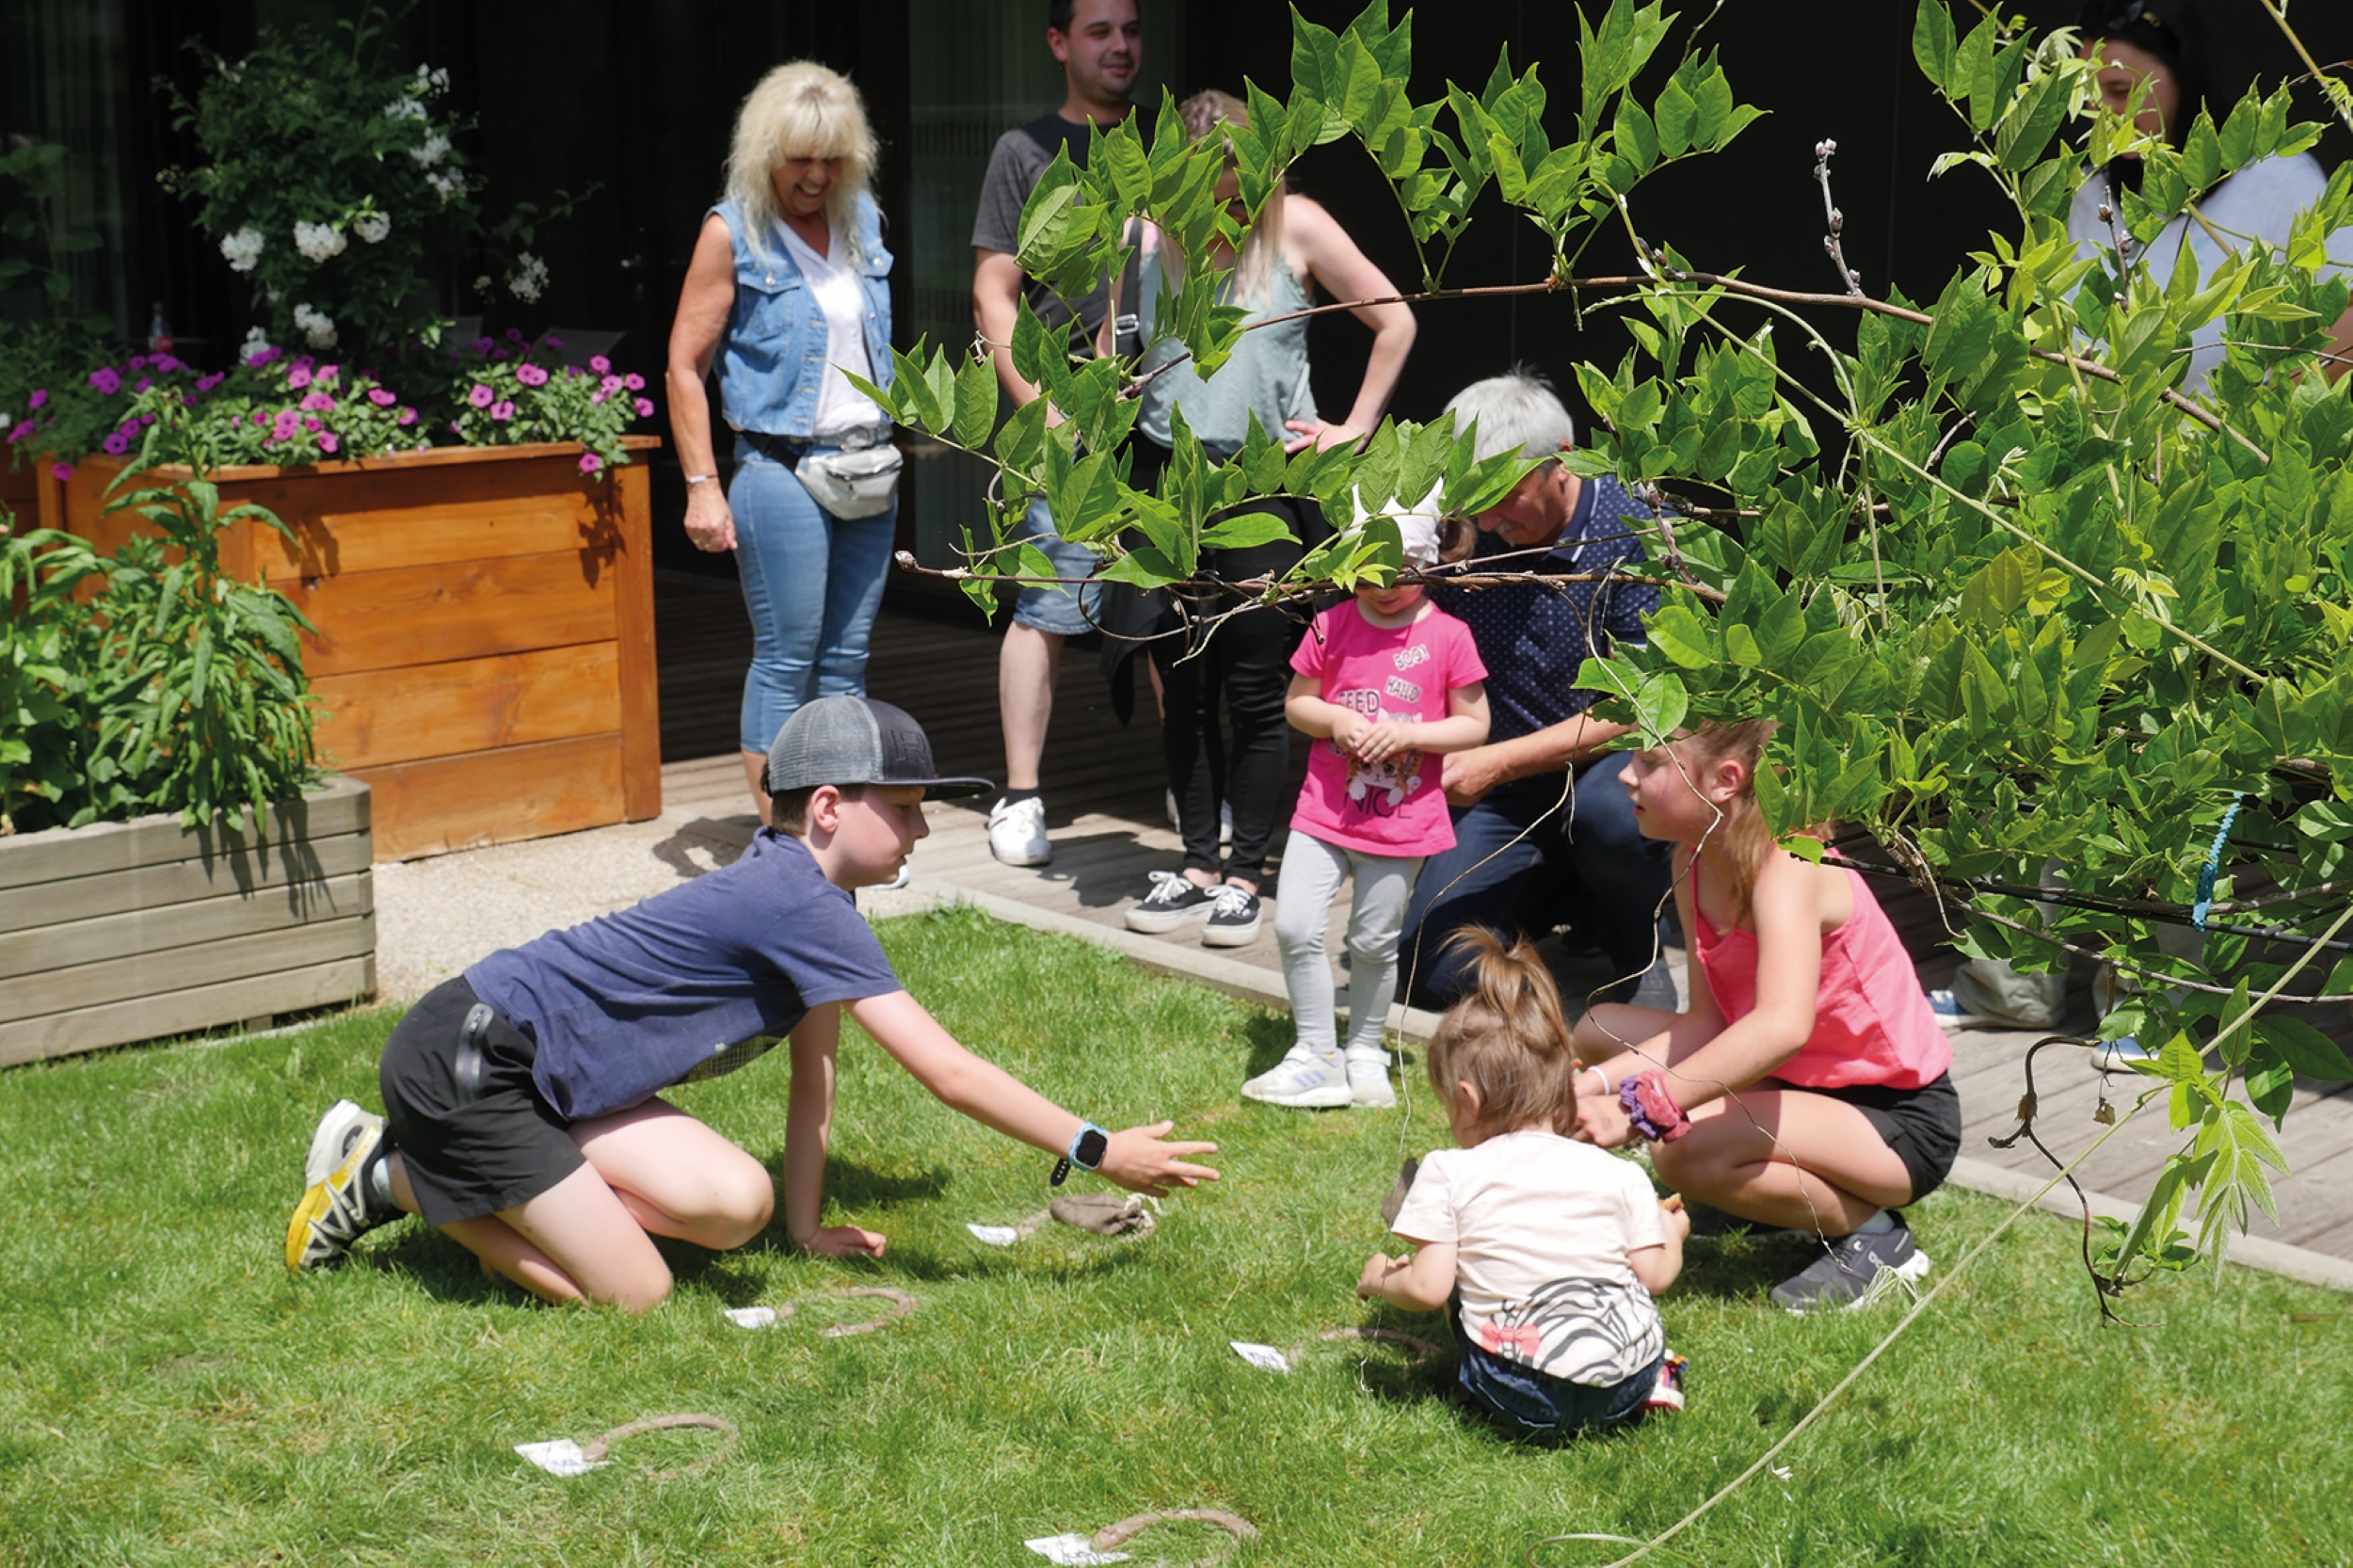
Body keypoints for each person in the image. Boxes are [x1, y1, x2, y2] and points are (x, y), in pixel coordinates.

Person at [285, 696, 1220, 1310]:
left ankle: (468, 1173)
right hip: (470, 1061)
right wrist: (1099, 1147)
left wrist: (805, 1230)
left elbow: (815, 1076)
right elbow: (947, 1071)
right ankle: (393, 1174)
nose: (921, 828)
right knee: (637, 1294)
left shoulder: (816, 905)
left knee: (738, 1209)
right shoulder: (794, 899)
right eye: (902, 807)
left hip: (545, 1080)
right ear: (824, 808)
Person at [1116, 88, 1417, 949]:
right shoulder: (1142, 235)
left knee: (1255, 687)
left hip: (1260, 481)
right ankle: (1196, 862)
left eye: (1240, 187)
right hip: (1165, 483)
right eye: (1206, 189)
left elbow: (1394, 317)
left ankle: (1248, 871)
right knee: (1181, 684)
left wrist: (1352, 427)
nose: (1226, 206)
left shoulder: (1297, 227)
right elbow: (1114, 353)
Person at [1568, 722, 1959, 1314]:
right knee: (1599, 1032)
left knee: (1680, 1151)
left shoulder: (1790, 864)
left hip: (1893, 1115)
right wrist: (1587, 1088)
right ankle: (1749, 1198)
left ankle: (1877, 1237)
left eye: (1650, 762)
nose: (1625, 774)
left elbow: (1781, 1026)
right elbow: (1708, 1022)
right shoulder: (1692, 862)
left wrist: (1640, 1107)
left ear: (1725, 782)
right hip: (1800, 1083)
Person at [667, 63, 903, 825]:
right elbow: (683, 364)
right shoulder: (730, 231)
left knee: (846, 665)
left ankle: (840, 831)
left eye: (832, 156)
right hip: (781, 468)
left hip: (867, 464)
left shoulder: (859, 217)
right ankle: (783, 835)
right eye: (800, 157)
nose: (816, 174)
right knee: (788, 658)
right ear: (765, 150)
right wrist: (702, 483)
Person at [1396, 371, 1674, 1011]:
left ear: (1563, 460)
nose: (1491, 519)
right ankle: (1564, 902)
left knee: (1611, 818)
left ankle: (1637, 945)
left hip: (1614, 771)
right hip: (1511, 790)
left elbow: (1644, 705)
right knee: (1434, 976)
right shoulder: (1466, 538)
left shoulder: (1638, 529)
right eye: (1474, 501)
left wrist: (1495, 760)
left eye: (1506, 496)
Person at [1357, 931, 1689, 1439]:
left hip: (1520, 1387)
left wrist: (1380, 1278)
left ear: (1465, 1099)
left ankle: (1506, 1393)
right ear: (1569, 1078)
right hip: (1627, 1378)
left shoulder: (1449, 1170)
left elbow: (1427, 1290)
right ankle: (1656, 1380)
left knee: (1461, 1278)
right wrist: (1674, 1235)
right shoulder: (1621, 1172)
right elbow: (1657, 1276)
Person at [971, 0, 1146, 869]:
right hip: (1067, 418)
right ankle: (1021, 795)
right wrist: (1039, 404)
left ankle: (1199, 807)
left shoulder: (1171, 148)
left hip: (1163, 414)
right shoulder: (1026, 152)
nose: (1120, 46)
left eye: (1130, 30)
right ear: (1058, 43)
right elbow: (995, 292)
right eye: (1098, 31)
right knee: (1046, 606)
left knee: (1172, 602)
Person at [1249, 508, 1490, 1109]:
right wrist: (1338, 718)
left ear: (1429, 564)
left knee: (1375, 942)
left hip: (1401, 821)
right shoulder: (1331, 624)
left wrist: (1410, 736)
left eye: (1400, 571)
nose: (1383, 586)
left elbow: (1475, 725)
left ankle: (1362, 1048)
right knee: (1293, 925)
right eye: (1370, 571)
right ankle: (1314, 1051)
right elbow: (1298, 705)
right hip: (1325, 810)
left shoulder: (1448, 636)